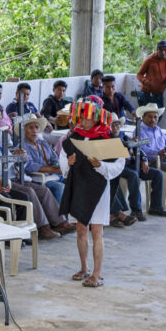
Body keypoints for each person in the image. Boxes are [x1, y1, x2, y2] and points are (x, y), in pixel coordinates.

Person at [59, 100, 125, 289]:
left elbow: (119, 164)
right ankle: (84, 267)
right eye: (82, 117)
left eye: (89, 117)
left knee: (97, 231)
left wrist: (101, 166)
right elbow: (63, 157)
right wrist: (68, 163)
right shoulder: (74, 136)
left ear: (96, 118)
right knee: (81, 228)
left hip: (98, 188)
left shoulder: (107, 137)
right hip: (78, 185)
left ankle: (97, 273)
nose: (85, 121)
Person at [0, 118, 64, 240]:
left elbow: (18, 165)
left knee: (44, 191)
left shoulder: (0, 145)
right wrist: (15, 158)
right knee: (29, 192)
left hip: (16, 177)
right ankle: (43, 227)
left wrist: (20, 158)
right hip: (4, 180)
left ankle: (59, 222)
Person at [111, 118, 166, 220]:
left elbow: (139, 149)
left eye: (117, 125)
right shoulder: (108, 138)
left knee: (158, 174)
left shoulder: (125, 136)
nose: (115, 128)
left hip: (132, 165)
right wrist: (128, 144)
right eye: (112, 126)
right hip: (118, 166)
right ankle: (136, 210)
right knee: (133, 175)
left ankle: (155, 207)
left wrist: (144, 160)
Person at [20, 117, 66, 204]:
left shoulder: (42, 143)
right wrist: (53, 169)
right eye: (31, 127)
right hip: (36, 178)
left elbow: (54, 157)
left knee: (72, 180)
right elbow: (29, 165)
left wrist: (58, 166)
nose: (34, 130)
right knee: (59, 187)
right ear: (25, 130)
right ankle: (59, 216)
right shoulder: (22, 147)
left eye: (36, 127)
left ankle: (70, 213)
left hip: (52, 175)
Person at [137, 41, 166, 108]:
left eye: (165, 50)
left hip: (159, 94)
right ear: (157, 50)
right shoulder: (149, 60)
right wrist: (145, 81)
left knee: (158, 116)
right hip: (146, 93)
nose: (163, 52)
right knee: (145, 115)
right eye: (160, 50)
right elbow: (139, 74)